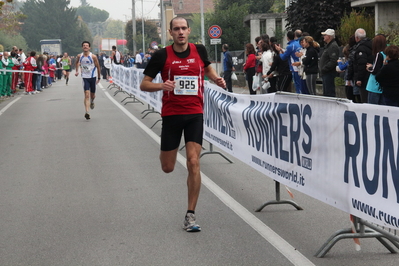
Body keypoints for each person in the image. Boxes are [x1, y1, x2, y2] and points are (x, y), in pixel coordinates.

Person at [140, 17, 226, 232]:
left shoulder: (199, 50)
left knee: (194, 161)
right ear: (170, 32)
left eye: (183, 28)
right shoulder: (162, 55)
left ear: (189, 31)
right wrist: (162, 85)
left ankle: (190, 214)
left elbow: (206, 69)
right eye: (176, 29)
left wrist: (216, 78)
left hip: (195, 113)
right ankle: (167, 156)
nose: (180, 32)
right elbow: (144, 84)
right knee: (167, 167)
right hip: (171, 114)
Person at [75, 41, 101, 120]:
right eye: (84, 45)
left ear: (89, 47)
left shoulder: (93, 57)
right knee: (86, 94)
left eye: (87, 45)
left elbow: (98, 67)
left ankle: (92, 101)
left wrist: (99, 77)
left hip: (93, 77)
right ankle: (87, 112)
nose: (85, 47)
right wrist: (77, 71)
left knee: (92, 95)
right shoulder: (79, 56)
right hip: (85, 77)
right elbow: (76, 63)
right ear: (82, 47)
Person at [347, 28, 372, 103]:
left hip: (363, 78)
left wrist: (359, 78)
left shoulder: (360, 48)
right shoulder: (371, 45)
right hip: (369, 75)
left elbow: (361, 64)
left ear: (357, 38)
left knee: (363, 98)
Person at [366, 34, 387, 105]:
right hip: (382, 85)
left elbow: (375, 70)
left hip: (374, 85)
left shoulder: (379, 54)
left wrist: (369, 68)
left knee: (372, 108)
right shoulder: (386, 54)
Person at [319, 29, 339, 97]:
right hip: (326, 73)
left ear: (329, 36)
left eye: (325, 35)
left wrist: (325, 68)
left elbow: (333, 60)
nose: (323, 36)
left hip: (328, 73)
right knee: (326, 92)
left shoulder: (333, 46)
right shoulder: (329, 46)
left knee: (329, 92)